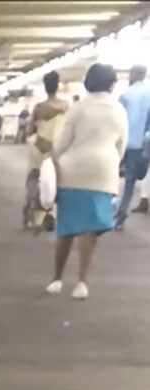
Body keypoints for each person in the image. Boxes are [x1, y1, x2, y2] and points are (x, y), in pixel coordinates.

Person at [45, 63, 127, 300]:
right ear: (111, 84)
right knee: (90, 231)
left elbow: (61, 144)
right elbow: (121, 145)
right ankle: (81, 283)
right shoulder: (119, 110)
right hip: (103, 172)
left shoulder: (78, 108)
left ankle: (57, 279)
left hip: (73, 172)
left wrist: (53, 161)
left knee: (66, 229)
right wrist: (111, 163)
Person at [24, 70, 69, 232]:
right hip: (59, 151)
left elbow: (30, 130)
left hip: (40, 148)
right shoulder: (67, 106)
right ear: (58, 85)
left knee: (34, 179)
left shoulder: (39, 108)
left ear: (45, 87)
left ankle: (33, 215)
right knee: (58, 181)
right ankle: (53, 214)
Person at [115, 65, 150, 230]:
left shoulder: (126, 95)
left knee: (124, 181)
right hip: (143, 144)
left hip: (125, 143)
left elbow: (118, 120)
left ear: (133, 75)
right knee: (132, 180)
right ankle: (121, 215)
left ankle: (119, 215)